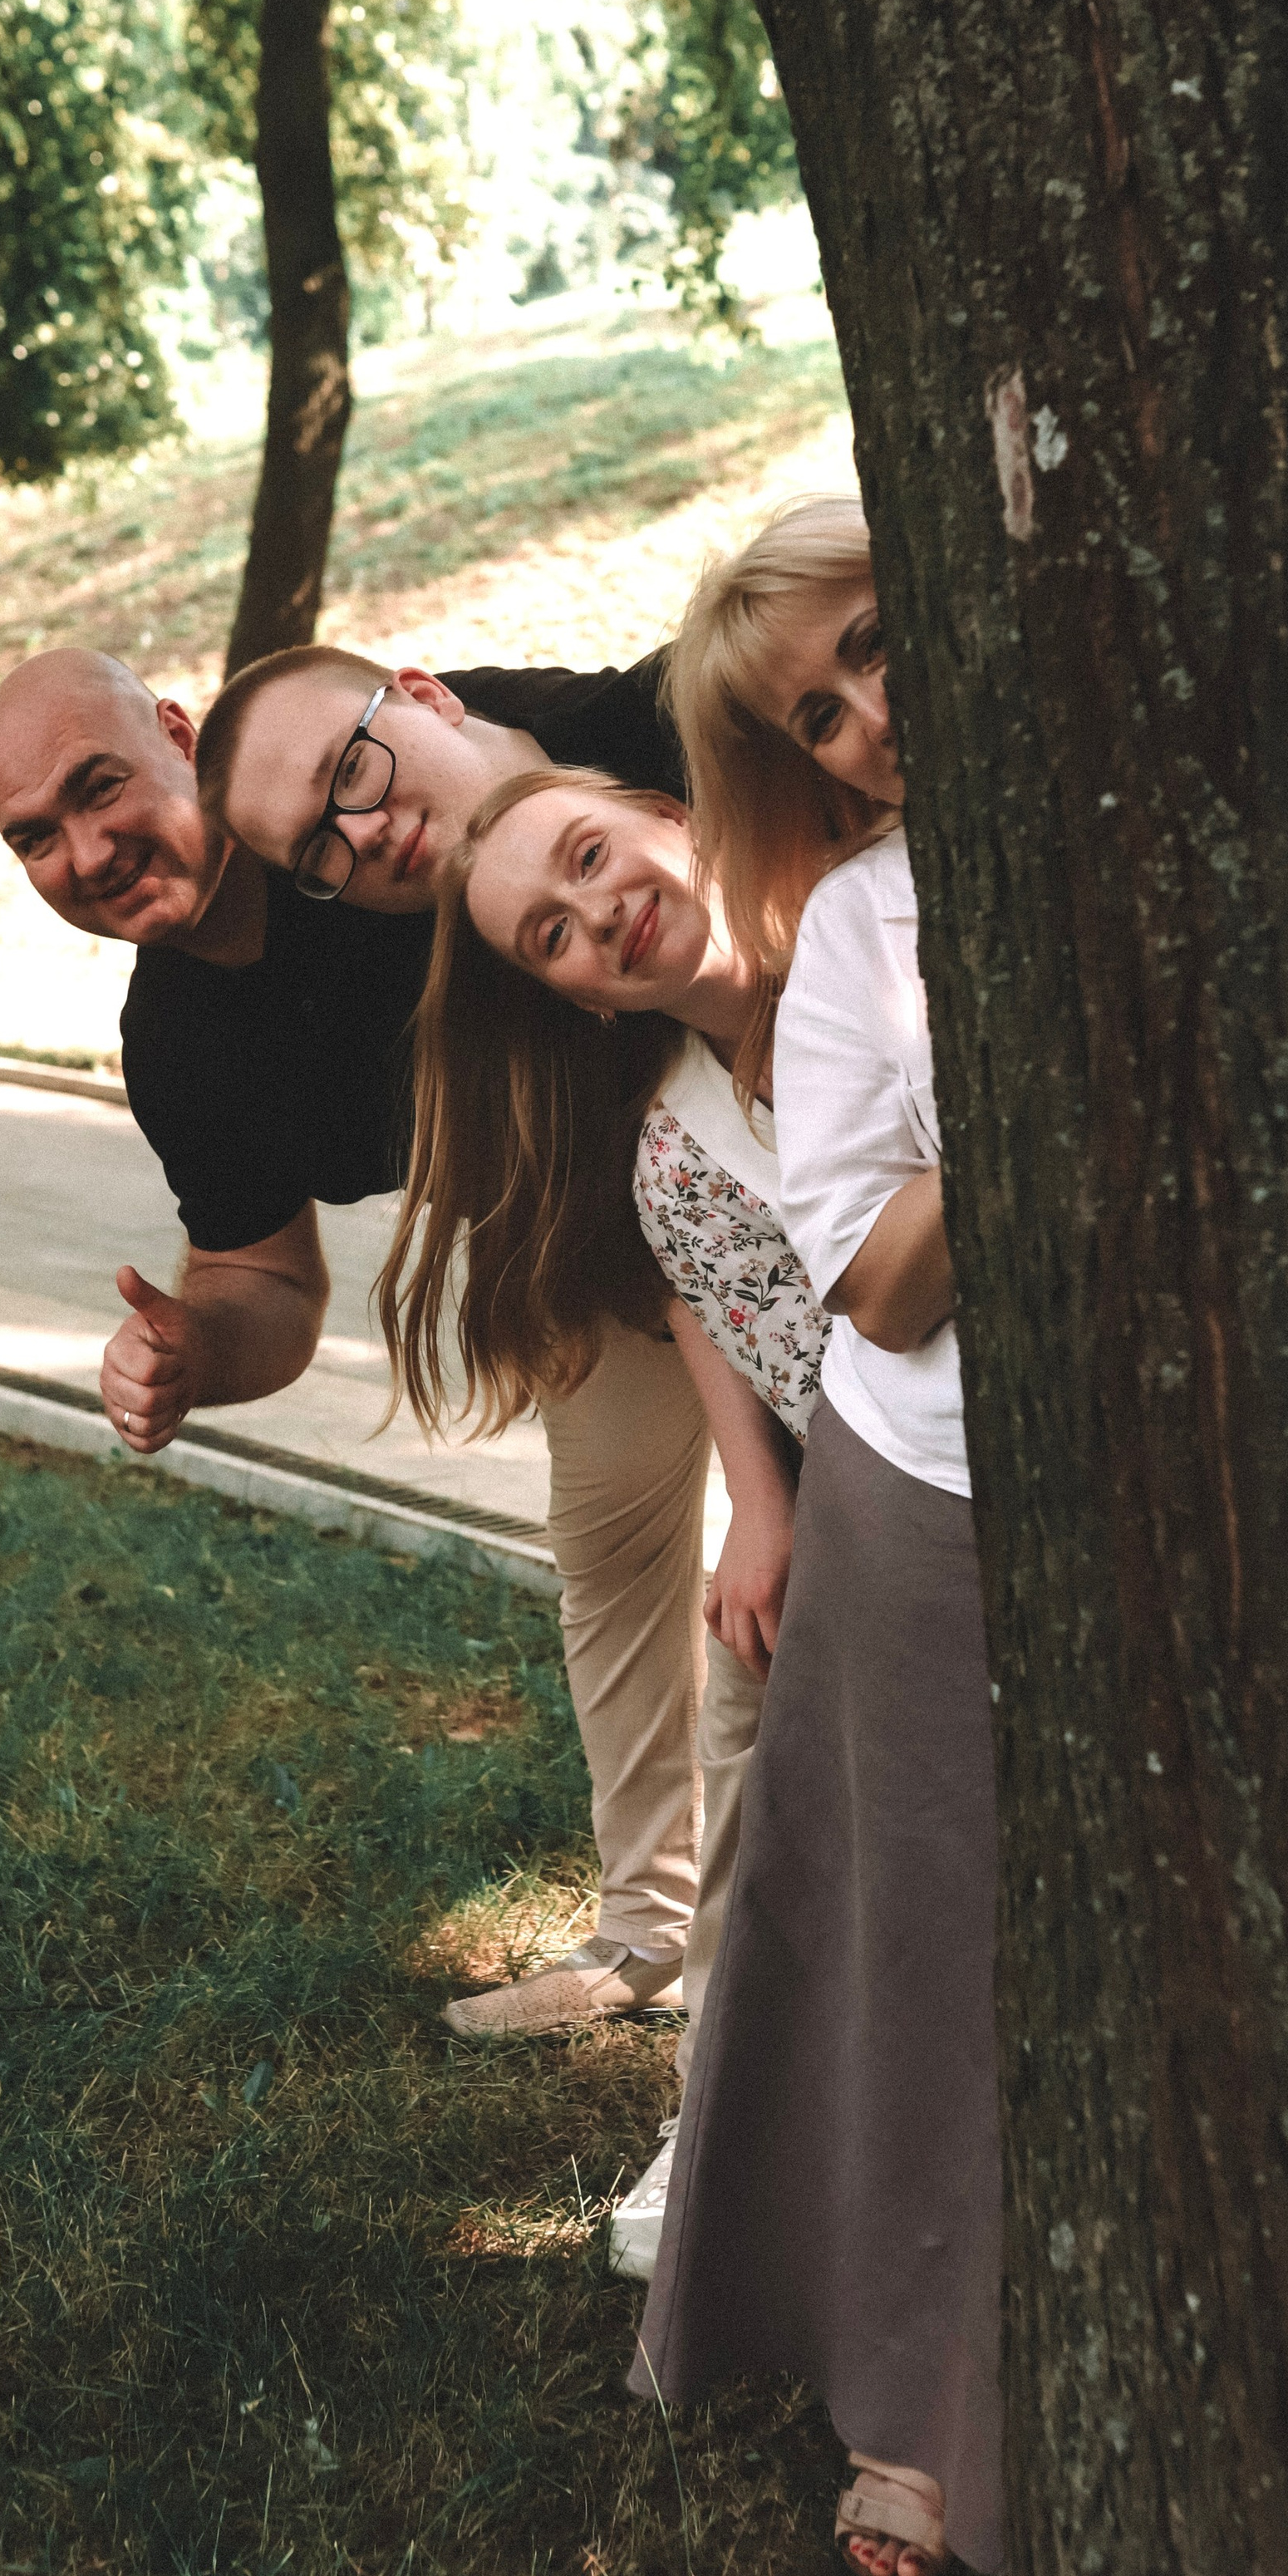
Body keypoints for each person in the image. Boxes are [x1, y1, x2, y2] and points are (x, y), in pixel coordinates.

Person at [0, 638, 761, 2064]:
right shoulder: (180, 1043)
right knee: (615, 1581)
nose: (87, 850)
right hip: (593, 1269)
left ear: (173, 731)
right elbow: (261, 1278)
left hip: (767, 1184)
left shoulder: (375, 775)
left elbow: (670, 703)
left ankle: (765, 1975)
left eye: (100, 789)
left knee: (792, 1587)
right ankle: (648, 1936)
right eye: (35, 838)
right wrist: (191, 1353)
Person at [623, 495, 1001, 2576]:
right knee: (924, 1944)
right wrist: (1007, 1064)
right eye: (819, 710)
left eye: (873, 642)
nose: (867, 716)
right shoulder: (865, 927)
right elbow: (869, 1281)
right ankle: (912, 2407)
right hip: (928, 1484)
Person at [380, 761, 831, 2265]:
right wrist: (756, 1513)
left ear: (670, 814)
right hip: (850, 1476)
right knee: (742, 1714)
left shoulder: (866, 948)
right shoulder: (665, 1134)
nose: (598, 913)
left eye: (592, 857)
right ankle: (709, 2125)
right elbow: (713, 1306)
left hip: (956, 1463)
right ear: (572, 1002)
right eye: (551, 936)